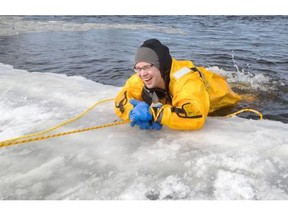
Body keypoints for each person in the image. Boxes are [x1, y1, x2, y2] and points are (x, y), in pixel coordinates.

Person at [114, 39, 241, 130]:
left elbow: (194, 114)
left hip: (223, 99)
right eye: (138, 68)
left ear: (161, 66)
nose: (142, 74)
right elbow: (120, 101)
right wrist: (133, 112)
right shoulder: (139, 78)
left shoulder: (187, 80)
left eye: (147, 67)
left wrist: (157, 114)